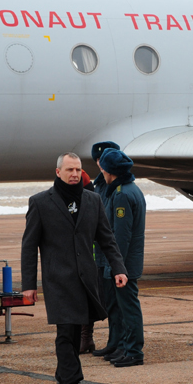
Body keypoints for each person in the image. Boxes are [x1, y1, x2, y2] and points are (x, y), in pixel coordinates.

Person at [21, 153, 128, 384]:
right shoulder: (40, 202)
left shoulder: (93, 200)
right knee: (66, 331)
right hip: (57, 279)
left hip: (85, 279)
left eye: (78, 170)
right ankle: (72, 383)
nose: (75, 174)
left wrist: (119, 268)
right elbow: (29, 246)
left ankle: (62, 379)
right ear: (58, 172)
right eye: (70, 170)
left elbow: (106, 238)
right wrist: (28, 285)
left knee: (75, 328)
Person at [96, 146, 146, 367]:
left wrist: (117, 267)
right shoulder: (129, 189)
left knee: (128, 309)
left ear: (110, 171)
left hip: (124, 264)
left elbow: (121, 236)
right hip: (127, 263)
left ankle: (134, 351)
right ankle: (126, 347)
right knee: (125, 308)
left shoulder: (122, 194)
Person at [85, 141, 120, 357]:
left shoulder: (117, 188)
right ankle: (111, 341)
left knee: (117, 303)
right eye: (97, 159)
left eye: (103, 159)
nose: (100, 163)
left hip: (110, 255)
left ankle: (118, 342)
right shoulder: (98, 185)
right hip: (99, 255)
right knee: (105, 300)